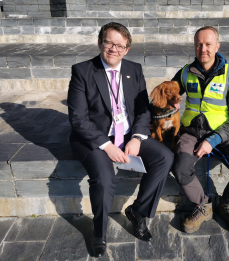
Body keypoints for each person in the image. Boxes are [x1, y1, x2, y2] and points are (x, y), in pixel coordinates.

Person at [67, 22, 174, 257]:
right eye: (109, 42)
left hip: (127, 133)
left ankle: (138, 212)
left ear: (126, 50)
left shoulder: (134, 70)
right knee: (105, 178)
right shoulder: (82, 71)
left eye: (120, 45)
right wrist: (106, 146)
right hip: (94, 138)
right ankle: (100, 230)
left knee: (164, 157)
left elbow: (143, 109)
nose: (114, 49)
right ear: (100, 43)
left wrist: (137, 137)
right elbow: (78, 118)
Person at [171, 26, 229, 235]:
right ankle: (203, 205)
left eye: (208, 44)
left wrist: (214, 139)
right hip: (190, 132)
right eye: (199, 44)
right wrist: (170, 101)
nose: (203, 49)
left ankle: (226, 204)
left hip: (223, 133)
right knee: (181, 168)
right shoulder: (185, 73)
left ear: (217, 46)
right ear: (194, 46)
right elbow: (168, 91)